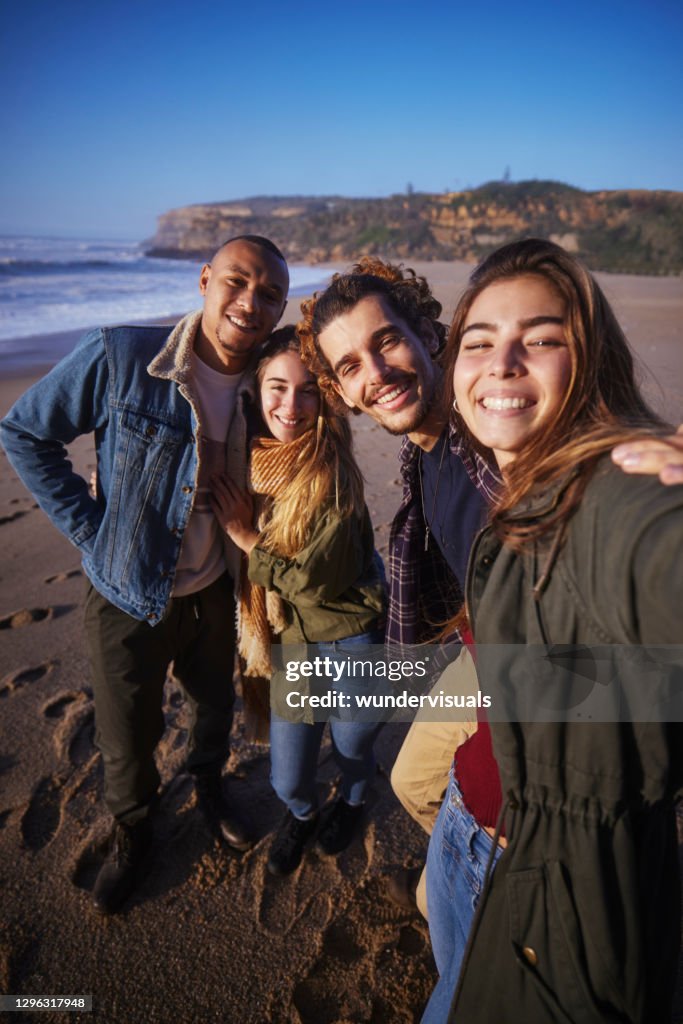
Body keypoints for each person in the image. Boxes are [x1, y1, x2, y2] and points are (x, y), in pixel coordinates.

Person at [297, 256, 683, 919]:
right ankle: (460, 878)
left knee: (458, 859)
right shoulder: (421, 448)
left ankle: (482, 891)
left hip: (549, 687)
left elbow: (616, 545)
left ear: (426, 333)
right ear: (342, 391)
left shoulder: (495, 443)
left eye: (385, 340)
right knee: (411, 780)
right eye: (350, 366)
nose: (376, 372)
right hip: (484, 650)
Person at [428, 238, 683, 1023]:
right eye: (478, 344)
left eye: (540, 339)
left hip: (568, 923)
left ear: (591, 361)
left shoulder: (616, 498)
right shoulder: (520, 494)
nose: (502, 362)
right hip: (499, 835)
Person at [0, 235, 289, 914]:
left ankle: (208, 784)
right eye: (237, 281)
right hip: (125, 592)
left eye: (270, 292)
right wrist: (93, 532)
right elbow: (25, 432)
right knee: (126, 731)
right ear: (203, 280)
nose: (251, 302)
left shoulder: (270, 388)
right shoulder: (123, 355)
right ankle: (134, 827)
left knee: (214, 705)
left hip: (220, 588)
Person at [210, 327, 386, 876]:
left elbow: (313, 583)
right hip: (291, 640)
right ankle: (304, 813)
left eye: (307, 389)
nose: (291, 405)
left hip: (350, 632)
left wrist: (246, 539)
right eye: (277, 387)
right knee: (287, 776)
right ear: (256, 391)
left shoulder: (332, 470)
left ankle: (353, 801)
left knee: (355, 746)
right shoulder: (245, 461)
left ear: (325, 397)